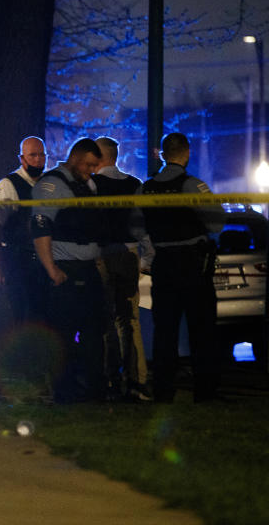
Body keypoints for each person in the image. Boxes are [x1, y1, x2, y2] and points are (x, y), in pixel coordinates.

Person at [138, 132, 223, 403]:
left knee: (165, 331)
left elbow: (135, 226)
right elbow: (216, 224)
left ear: (163, 154)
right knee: (202, 330)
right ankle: (205, 393)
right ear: (186, 153)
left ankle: (163, 391)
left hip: (163, 264)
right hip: (192, 265)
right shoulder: (192, 185)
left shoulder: (145, 188)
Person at [31, 138, 105, 403]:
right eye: (89, 164)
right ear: (75, 158)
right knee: (63, 335)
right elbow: (40, 229)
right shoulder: (52, 185)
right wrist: (52, 269)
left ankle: (93, 391)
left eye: (95, 166)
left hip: (88, 270)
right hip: (65, 271)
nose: (92, 170)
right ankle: (65, 392)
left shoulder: (89, 184)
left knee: (95, 333)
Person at [91, 137, 151, 402]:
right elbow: (141, 226)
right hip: (128, 255)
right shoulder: (134, 185)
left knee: (105, 321)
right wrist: (146, 256)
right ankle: (137, 380)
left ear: (98, 157)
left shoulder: (92, 185)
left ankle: (108, 380)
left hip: (102, 256)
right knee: (130, 321)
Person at [0, 136, 50, 326]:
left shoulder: (50, 184)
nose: (38, 159)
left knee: (43, 314)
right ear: (22, 158)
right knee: (22, 315)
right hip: (18, 259)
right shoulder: (8, 185)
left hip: (45, 260)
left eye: (41, 155)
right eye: (33, 155)